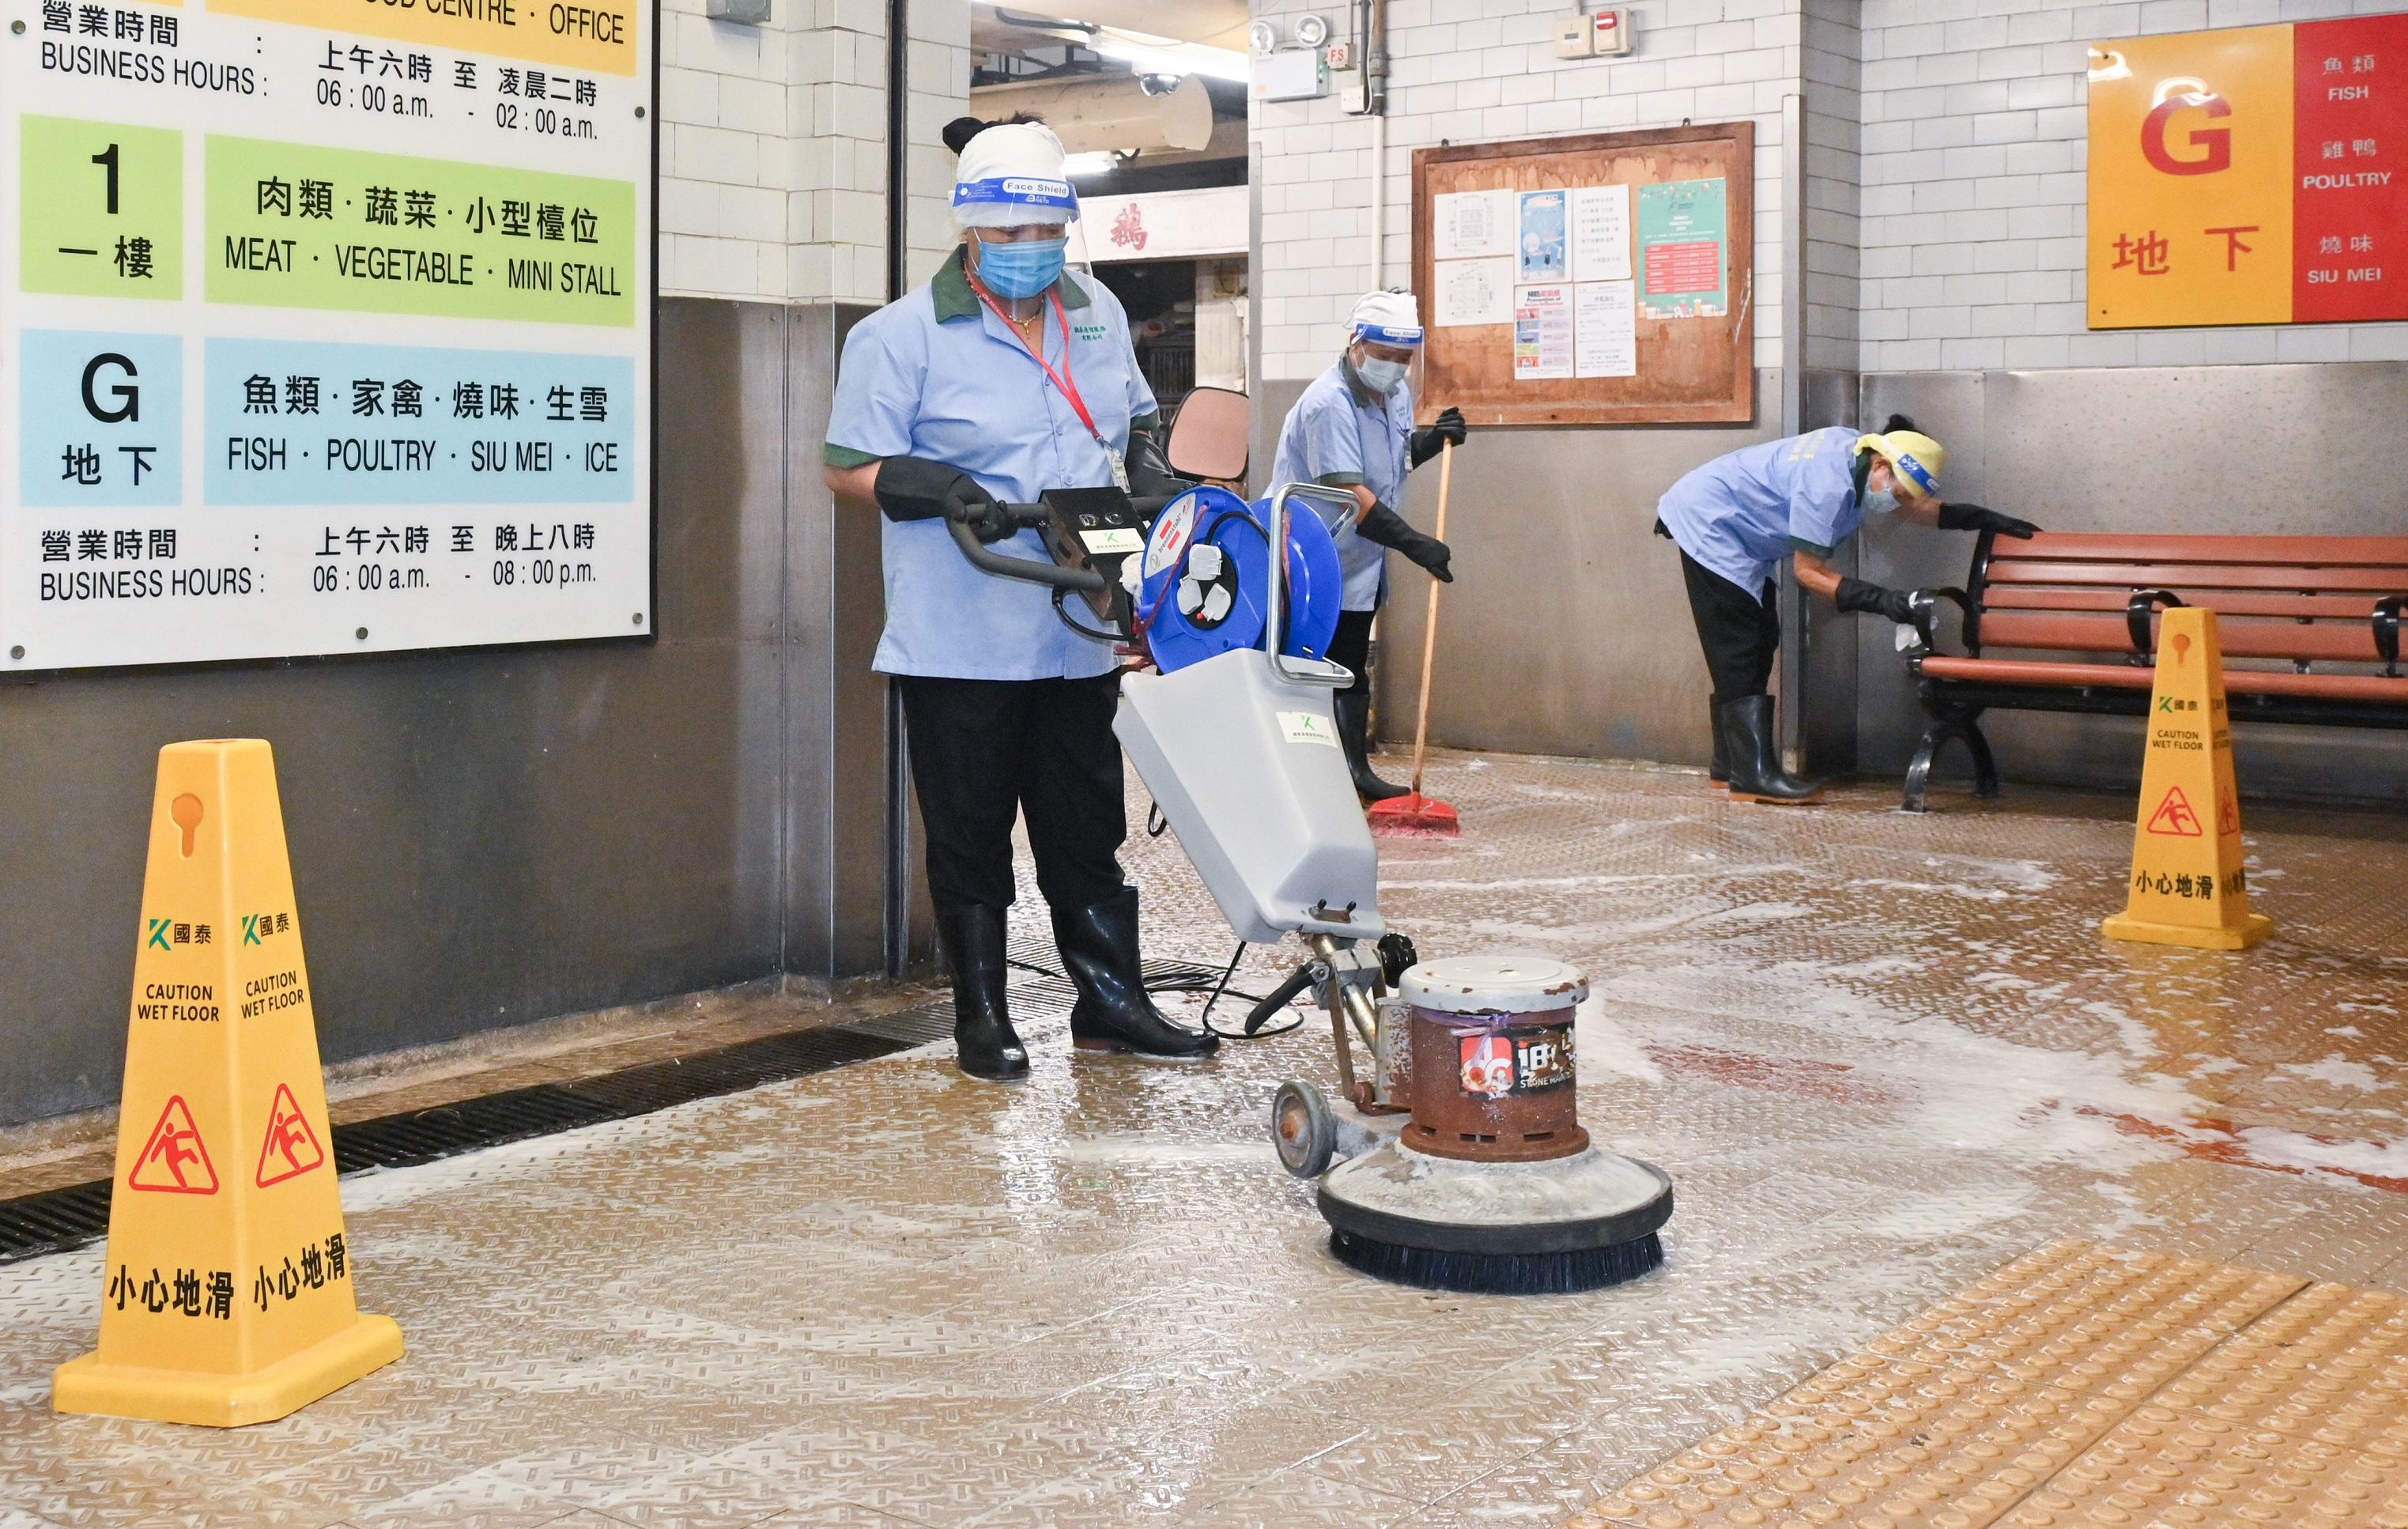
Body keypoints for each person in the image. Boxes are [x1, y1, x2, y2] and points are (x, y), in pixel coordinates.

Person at [820, 117, 1213, 1082]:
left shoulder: (1099, 315)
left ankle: (1110, 1002)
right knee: (970, 830)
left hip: (1077, 627)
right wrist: (936, 490)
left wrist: (1152, 481)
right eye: (1008, 236)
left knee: (1088, 826)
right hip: (960, 634)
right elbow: (847, 466)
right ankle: (983, 1017)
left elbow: (1130, 427)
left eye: (1045, 234)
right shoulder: (899, 336)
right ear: (969, 233)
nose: (1030, 252)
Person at [1654, 416, 2039, 802]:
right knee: (1739, 645)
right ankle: (1751, 775)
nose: (1899, 504)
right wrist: (1885, 602)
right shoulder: (1827, 486)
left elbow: (1912, 505)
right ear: (1881, 465)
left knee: (1759, 639)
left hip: (1741, 532)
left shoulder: (1860, 454)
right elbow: (1808, 573)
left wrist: (1978, 518)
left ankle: (1730, 764)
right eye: (1900, 493)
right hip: (1710, 522)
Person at [1269, 289, 1464, 799]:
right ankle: (1326, 776)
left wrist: (1433, 440)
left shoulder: (1395, 393)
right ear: (1357, 344)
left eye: (1404, 359)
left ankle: (1353, 771)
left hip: (1359, 557)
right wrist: (1416, 544)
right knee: (1317, 667)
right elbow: (1350, 493)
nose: (1396, 368)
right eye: (1386, 357)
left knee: (1350, 663)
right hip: (1312, 556)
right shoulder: (1327, 404)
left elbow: (1390, 462)